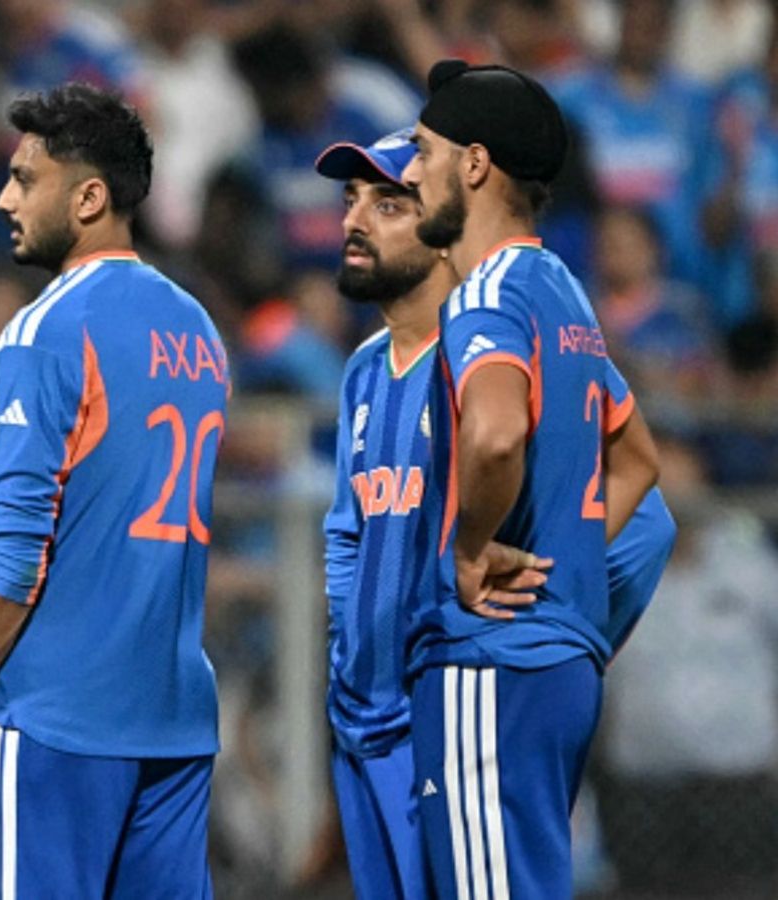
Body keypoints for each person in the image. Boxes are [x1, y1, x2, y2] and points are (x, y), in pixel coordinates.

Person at [0, 82, 226, 897]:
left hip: (53, 717)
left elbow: (13, 558)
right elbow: (87, 509)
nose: (3, 198)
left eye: (24, 179)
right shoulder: (197, 328)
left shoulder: (45, 329)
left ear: (89, 196)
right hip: (172, 716)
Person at [317, 129, 676, 898]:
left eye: (388, 203)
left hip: (453, 704)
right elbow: (349, 532)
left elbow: (645, 522)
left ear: (442, 225)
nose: (354, 221)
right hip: (366, 724)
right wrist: (345, 663)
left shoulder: (495, 346)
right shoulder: (361, 371)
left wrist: (550, 636)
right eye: (350, 201)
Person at [398, 60, 663, 897]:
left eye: (422, 151)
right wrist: (565, 564)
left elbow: (498, 436)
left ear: (474, 165)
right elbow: (640, 463)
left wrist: (472, 548)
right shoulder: (562, 290)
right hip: (554, 663)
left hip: (492, 662)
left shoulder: (485, 298)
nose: (409, 172)